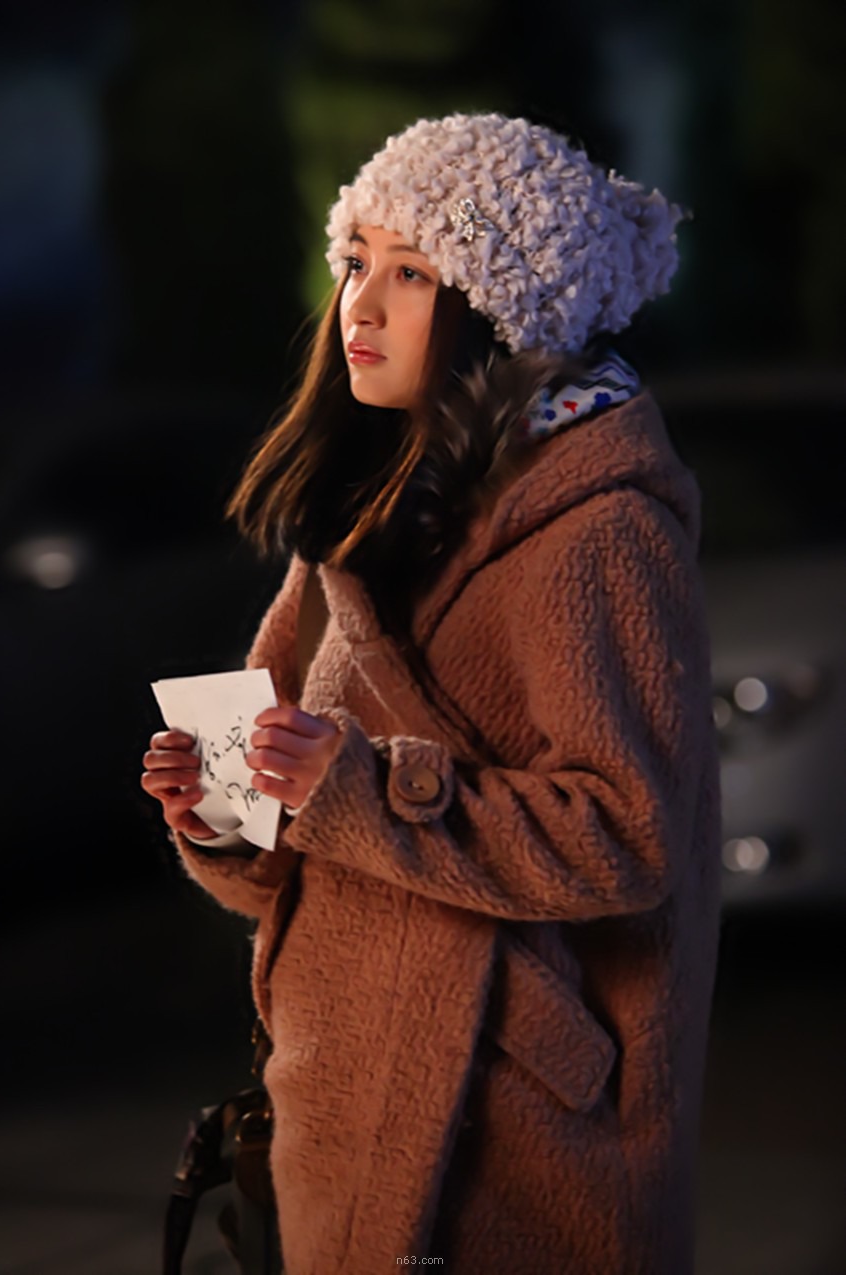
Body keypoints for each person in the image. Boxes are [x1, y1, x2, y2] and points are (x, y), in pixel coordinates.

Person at [141, 111, 722, 1275]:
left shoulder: (599, 531)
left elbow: (629, 836)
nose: (359, 306)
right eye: (356, 260)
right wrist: (218, 806)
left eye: (411, 273)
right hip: (335, 1085)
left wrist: (358, 788)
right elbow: (281, 848)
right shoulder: (357, 515)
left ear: (504, 306)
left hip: (510, 1124)